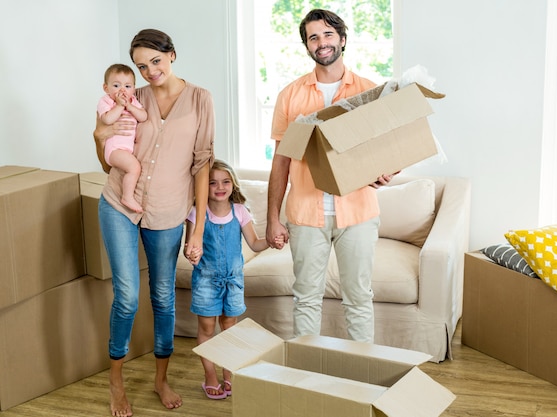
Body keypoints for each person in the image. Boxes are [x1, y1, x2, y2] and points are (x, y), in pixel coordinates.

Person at [93, 28, 215, 417]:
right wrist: (98, 137)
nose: (149, 71)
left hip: (166, 212)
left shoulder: (200, 99)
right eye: (142, 66)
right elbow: (107, 157)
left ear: (173, 55)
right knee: (127, 297)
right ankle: (116, 383)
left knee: (163, 298)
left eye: (156, 62)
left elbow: (203, 165)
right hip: (119, 204)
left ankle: (161, 380)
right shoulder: (129, 96)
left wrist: (197, 229)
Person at [265, 9, 397, 344]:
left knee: (358, 299)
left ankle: (360, 378)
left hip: (358, 213)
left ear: (341, 39)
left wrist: (387, 171)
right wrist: (272, 219)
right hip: (306, 214)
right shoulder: (290, 95)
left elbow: (391, 149)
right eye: (313, 37)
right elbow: (280, 163)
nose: (321, 43)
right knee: (306, 298)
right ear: (306, 46)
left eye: (327, 35)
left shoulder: (369, 91)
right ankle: (307, 380)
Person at [184, 159, 276, 400]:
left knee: (229, 327)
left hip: (233, 282)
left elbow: (255, 243)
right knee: (207, 328)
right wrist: (191, 254)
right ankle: (210, 376)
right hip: (206, 281)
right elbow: (189, 246)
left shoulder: (240, 211)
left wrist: (272, 239)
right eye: (212, 183)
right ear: (203, 187)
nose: (219, 187)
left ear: (233, 184)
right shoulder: (197, 213)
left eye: (225, 182)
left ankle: (229, 373)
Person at [97, 63, 148, 213]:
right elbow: (107, 120)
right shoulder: (106, 101)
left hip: (126, 150)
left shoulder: (133, 102)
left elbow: (143, 116)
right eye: (116, 85)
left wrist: (130, 107)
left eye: (127, 86)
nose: (122, 90)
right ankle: (127, 197)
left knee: (133, 168)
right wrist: (119, 106)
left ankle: (127, 194)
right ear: (106, 88)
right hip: (114, 149)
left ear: (133, 89)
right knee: (134, 167)